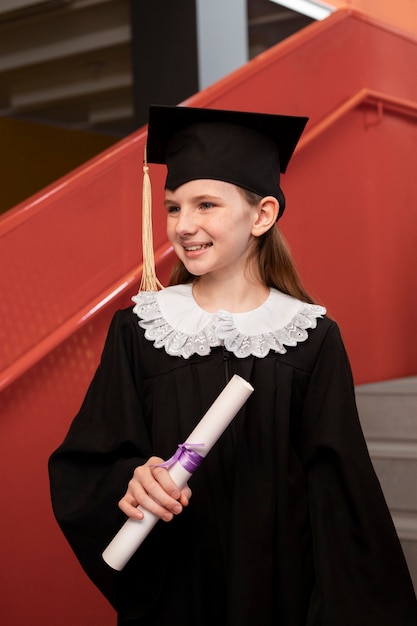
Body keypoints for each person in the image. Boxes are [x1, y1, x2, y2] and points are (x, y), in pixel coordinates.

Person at [48, 105, 417, 626]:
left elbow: (340, 499)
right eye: (174, 207)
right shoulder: (140, 331)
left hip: (282, 599)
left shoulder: (311, 339)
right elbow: (88, 463)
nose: (184, 225)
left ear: (262, 215)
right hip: (175, 596)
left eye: (205, 205)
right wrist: (132, 481)